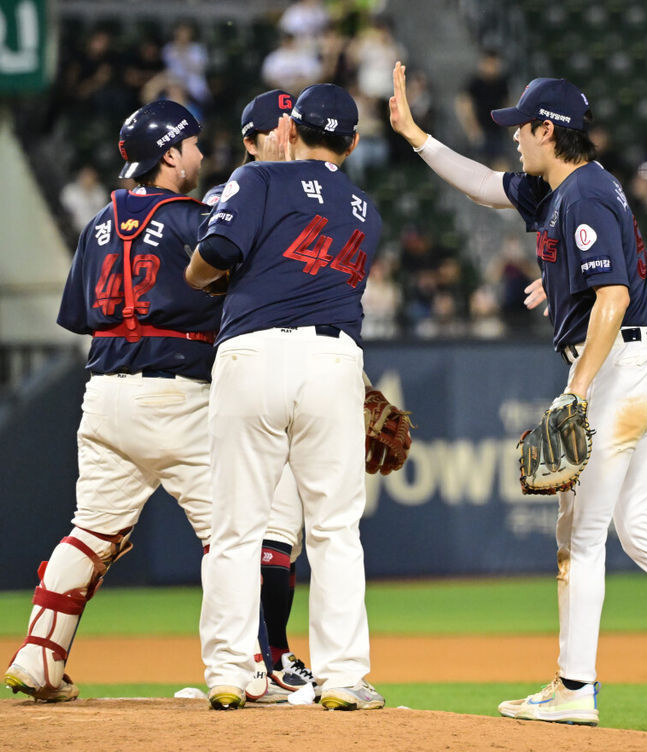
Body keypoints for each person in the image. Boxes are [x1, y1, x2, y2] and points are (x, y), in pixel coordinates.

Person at [389, 62, 647, 734]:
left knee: (581, 538)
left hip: (619, 369)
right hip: (646, 366)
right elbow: (484, 188)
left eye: (521, 128)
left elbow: (614, 296)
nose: (514, 139)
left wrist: (576, 390)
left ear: (548, 130)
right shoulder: (563, 192)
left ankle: (575, 687)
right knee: (645, 532)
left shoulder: (585, 197)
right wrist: (416, 136)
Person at [3, 100, 218, 702]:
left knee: (91, 533)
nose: (200, 154)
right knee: (232, 536)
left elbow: (77, 315)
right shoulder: (190, 220)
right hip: (176, 396)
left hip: (102, 395)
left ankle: (40, 656)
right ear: (170, 154)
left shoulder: (100, 220)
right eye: (193, 144)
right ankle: (241, 668)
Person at [186, 83, 384, 712]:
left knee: (236, 526)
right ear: (352, 143)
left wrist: (205, 278)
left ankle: (227, 670)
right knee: (335, 529)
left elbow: (214, 254)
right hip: (334, 359)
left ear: (289, 129)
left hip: (252, 354)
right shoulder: (366, 209)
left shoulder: (256, 181)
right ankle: (343, 675)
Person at [202, 89, 319, 699]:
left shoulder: (312, 197)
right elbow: (216, 264)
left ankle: (271, 653)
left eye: (293, 124)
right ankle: (258, 657)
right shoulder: (234, 192)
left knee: (284, 532)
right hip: (245, 367)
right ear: (249, 141)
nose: (287, 133)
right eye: (276, 126)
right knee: (249, 528)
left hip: (294, 367)